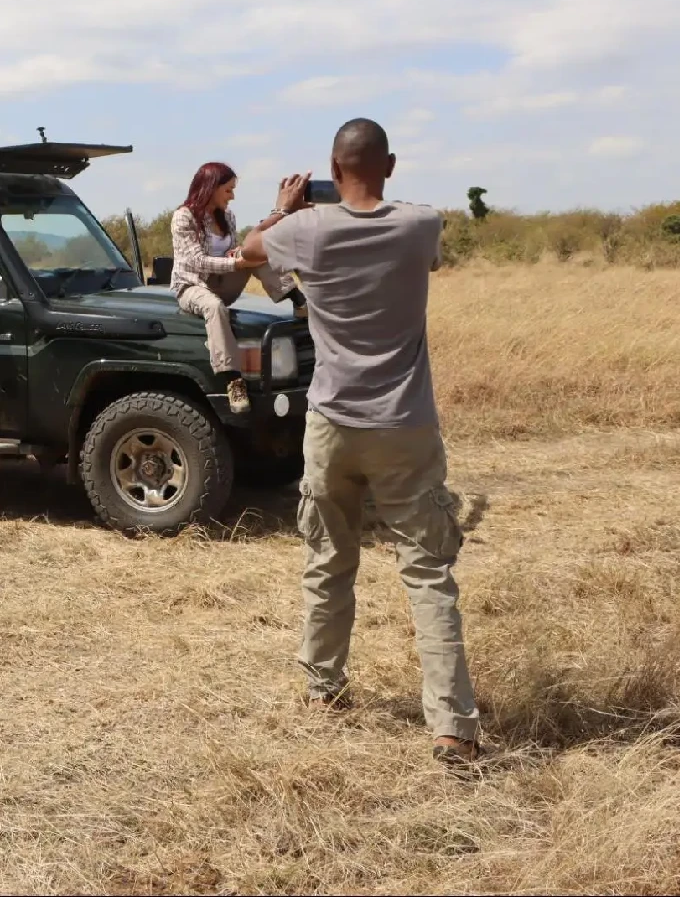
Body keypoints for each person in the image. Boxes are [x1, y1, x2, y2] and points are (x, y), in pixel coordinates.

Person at [240, 119, 487, 771]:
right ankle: (453, 727)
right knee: (427, 573)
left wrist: (285, 207)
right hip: (405, 425)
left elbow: (250, 249)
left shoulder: (305, 229)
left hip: (331, 424)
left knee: (327, 561)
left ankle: (323, 688)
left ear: (330, 168)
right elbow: (419, 232)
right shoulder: (419, 225)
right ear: (391, 165)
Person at [171, 162, 306, 414]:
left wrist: (240, 255)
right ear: (211, 188)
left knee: (254, 253)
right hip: (192, 285)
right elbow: (197, 261)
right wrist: (237, 262)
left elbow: (233, 252)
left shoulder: (228, 217)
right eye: (228, 190)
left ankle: (300, 301)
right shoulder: (184, 217)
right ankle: (233, 381)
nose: (232, 196)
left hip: (222, 281)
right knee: (214, 307)